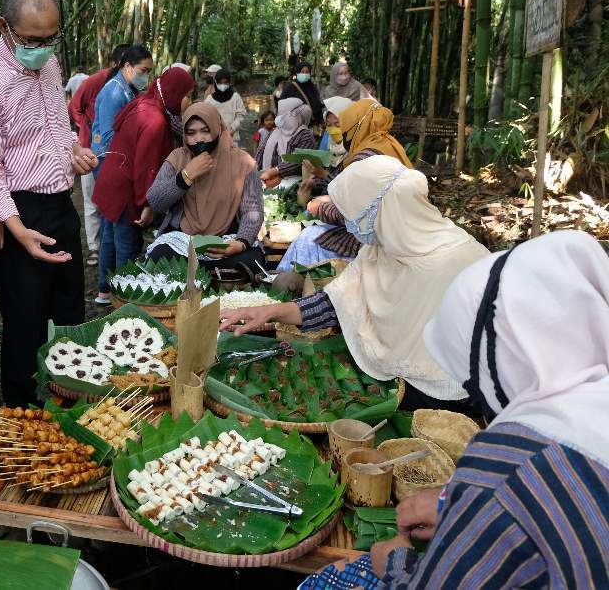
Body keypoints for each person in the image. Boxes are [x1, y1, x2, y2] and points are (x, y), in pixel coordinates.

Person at [339, 230, 609, 588]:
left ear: (505, 360)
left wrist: (394, 562)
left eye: (473, 384)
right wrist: (465, 511)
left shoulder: (508, 464)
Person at [222, 155, 490, 409]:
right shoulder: (381, 247)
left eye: (355, 215)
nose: (351, 224)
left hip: (447, 398)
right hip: (386, 379)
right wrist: (270, 311)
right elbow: (334, 303)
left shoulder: (464, 261)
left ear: (384, 210)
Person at [0, 0, 97, 407]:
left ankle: (72, 404)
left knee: (70, 313)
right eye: (32, 40)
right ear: (4, 26)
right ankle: (23, 417)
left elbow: (56, 128)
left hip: (60, 206)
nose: (42, 48)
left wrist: (74, 152)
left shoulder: (52, 65)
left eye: (50, 38)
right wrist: (14, 225)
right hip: (21, 211)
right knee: (26, 324)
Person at [91, 68, 195, 305]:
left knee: (109, 237)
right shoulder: (155, 119)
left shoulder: (146, 103)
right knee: (127, 244)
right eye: (188, 94)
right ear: (175, 92)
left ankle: (105, 292)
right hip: (126, 187)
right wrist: (146, 204)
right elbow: (146, 166)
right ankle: (125, 303)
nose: (189, 100)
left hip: (111, 179)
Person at [275, 98, 415, 273]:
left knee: (307, 238)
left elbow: (355, 216)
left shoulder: (363, 159)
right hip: (397, 232)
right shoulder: (390, 146)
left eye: (345, 128)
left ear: (357, 128)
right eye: (331, 125)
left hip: (375, 241)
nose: (342, 134)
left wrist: (319, 207)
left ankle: (292, 287)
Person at [144, 102, 264, 275]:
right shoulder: (178, 158)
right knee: (159, 256)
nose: (198, 139)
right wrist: (185, 176)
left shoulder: (242, 162)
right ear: (184, 135)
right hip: (185, 240)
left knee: (253, 262)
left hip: (226, 241)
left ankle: (203, 274)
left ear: (217, 128)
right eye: (191, 133)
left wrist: (240, 243)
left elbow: (253, 210)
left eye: (205, 131)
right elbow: (155, 201)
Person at [68, 43, 131, 266]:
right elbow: (74, 106)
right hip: (90, 149)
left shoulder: (130, 87)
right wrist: (87, 127)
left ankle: (108, 248)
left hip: (115, 156)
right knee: (91, 199)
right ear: (116, 63)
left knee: (110, 203)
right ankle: (94, 247)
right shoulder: (96, 81)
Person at [90, 45, 153, 161]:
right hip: (107, 159)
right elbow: (108, 138)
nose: (146, 76)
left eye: (148, 72)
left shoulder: (129, 90)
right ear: (128, 66)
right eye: (143, 70)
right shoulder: (113, 94)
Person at [256, 97, 315, 183]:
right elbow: (261, 150)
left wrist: (276, 170)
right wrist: (253, 169)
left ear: (295, 115)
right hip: (270, 180)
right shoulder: (275, 131)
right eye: (279, 113)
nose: (279, 117)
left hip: (294, 183)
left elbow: (299, 160)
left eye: (282, 114)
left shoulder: (304, 135)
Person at [204, 68, 247, 148]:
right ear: (215, 82)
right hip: (215, 140)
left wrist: (232, 130)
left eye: (225, 82)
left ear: (229, 82)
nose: (223, 85)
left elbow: (241, 115)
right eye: (220, 83)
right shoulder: (209, 100)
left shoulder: (235, 97)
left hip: (232, 139)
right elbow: (205, 117)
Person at [279, 61, 323, 127]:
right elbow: (282, 106)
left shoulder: (313, 88)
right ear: (297, 73)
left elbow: (318, 107)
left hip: (312, 127)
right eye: (302, 72)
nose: (305, 74)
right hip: (295, 127)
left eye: (307, 72)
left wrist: (321, 122)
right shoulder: (290, 88)